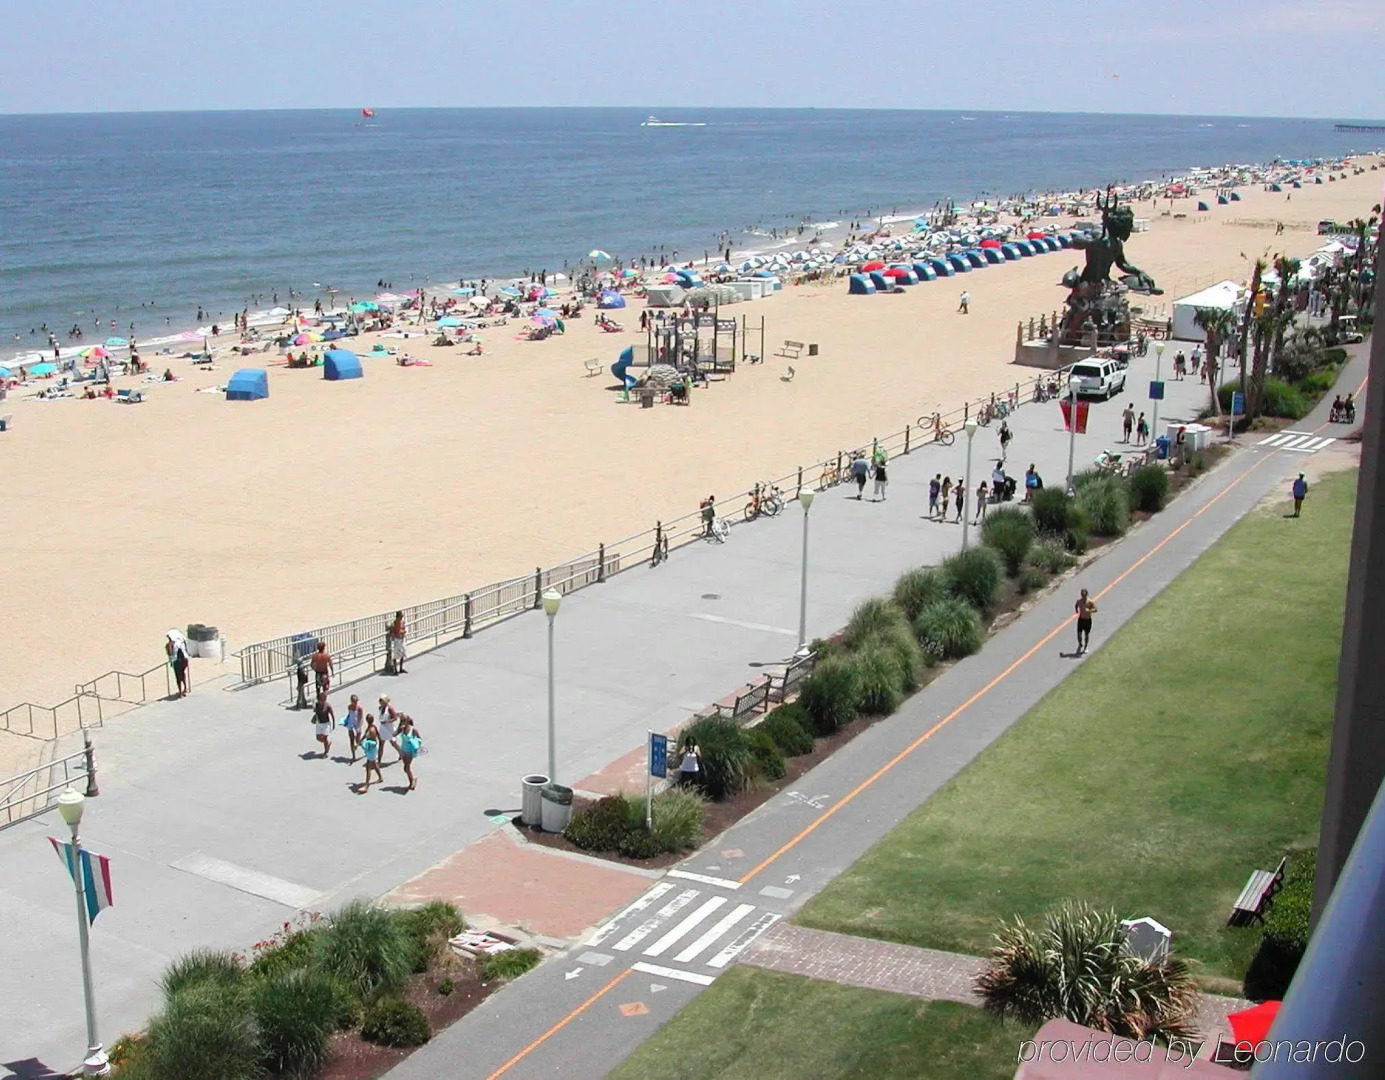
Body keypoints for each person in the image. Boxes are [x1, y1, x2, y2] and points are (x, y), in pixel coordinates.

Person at [359, 716, 383, 793]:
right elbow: (378, 736)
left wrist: (365, 744)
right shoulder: (372, 727)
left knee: (368, 766)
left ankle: (366, 785)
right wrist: (361, 741)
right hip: (372, 748)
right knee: (374, 764)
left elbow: (371, 739)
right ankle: (380, 777)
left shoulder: (371, 730)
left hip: (371, 749)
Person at [398, 715, 422, 792]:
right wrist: (399, 727)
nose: (403, 722)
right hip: (403, 750)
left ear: (408, 721)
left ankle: (412, 782)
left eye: (404, 720)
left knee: (406, 767)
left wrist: (413, 742)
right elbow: (393, 734)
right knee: (406, 769)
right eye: (401, 721)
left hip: (410, 751)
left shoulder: (413, 730)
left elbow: (419, 739)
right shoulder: (402, 729)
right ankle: (413, 779)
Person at [165, 630, 191, 697]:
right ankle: (185, 688)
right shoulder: (181, 641)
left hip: (177, 661)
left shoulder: (172, 644)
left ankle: (180, 692)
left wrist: (168, 646)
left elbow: (170, 653)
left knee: (178, 676)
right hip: (185, 659)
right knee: (183, 673)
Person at [377, 695, 399, 763]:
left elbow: (395, 718)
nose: (380, 703)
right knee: (381, 744)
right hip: (383, 728)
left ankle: (401, 753)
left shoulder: (390, 708)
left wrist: (387, 721)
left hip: (389, 727)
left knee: (393, 743)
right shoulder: (380, 708)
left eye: (382, 701)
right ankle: (379, 761)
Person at [312, 693, 335, 758]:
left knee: (325, 738)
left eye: (323, 698)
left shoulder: (328, 706)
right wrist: (314, 708)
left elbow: (332, 715)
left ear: (325, 699)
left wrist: (333, 724)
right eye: (320, 698)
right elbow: (315, 711)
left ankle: (325, 752)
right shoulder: (317, 704)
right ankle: (328, 743)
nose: (321, 700)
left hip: (326, 724)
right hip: (319, 723)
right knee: (318, 738)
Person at [1074, 588, 1097, 654]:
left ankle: (1086, 646)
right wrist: (1076, 611)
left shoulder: (1090, 602)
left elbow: (1095, 609)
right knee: (1079, 634)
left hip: (1087, 620)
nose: (1083, 596)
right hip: (1081, 619)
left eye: (1084, 595)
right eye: (1082, 594)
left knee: (1086, 634)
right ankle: (1080, 644)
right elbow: (1076, 605)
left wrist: (1089, 610)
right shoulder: (1079, 601)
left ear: (1086, 594)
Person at [343, 693, 364, 763]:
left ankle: (367, 749)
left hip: (357, 725)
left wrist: (359, 726)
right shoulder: (349, 707)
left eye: (356, 702)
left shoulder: (359, 708)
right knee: (352, 740)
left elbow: (361, 718)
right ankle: (353, 756)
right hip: (351, 725)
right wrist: (346, 721)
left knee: (358, 741)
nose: (355, 703)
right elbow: (349, 714)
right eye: (354, 702)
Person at [388, 610, 408, 675]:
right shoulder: (394, 623)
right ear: (398, 616)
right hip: (397, 640)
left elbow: (404, 629)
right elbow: (394, 632)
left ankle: (401, 668)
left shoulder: (402, 622)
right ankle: (395, 670)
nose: (401, 617)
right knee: (396, 655)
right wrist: (401, 632)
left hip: (402, 639)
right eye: (401, 616)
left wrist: (403, 632)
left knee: (402, 653)